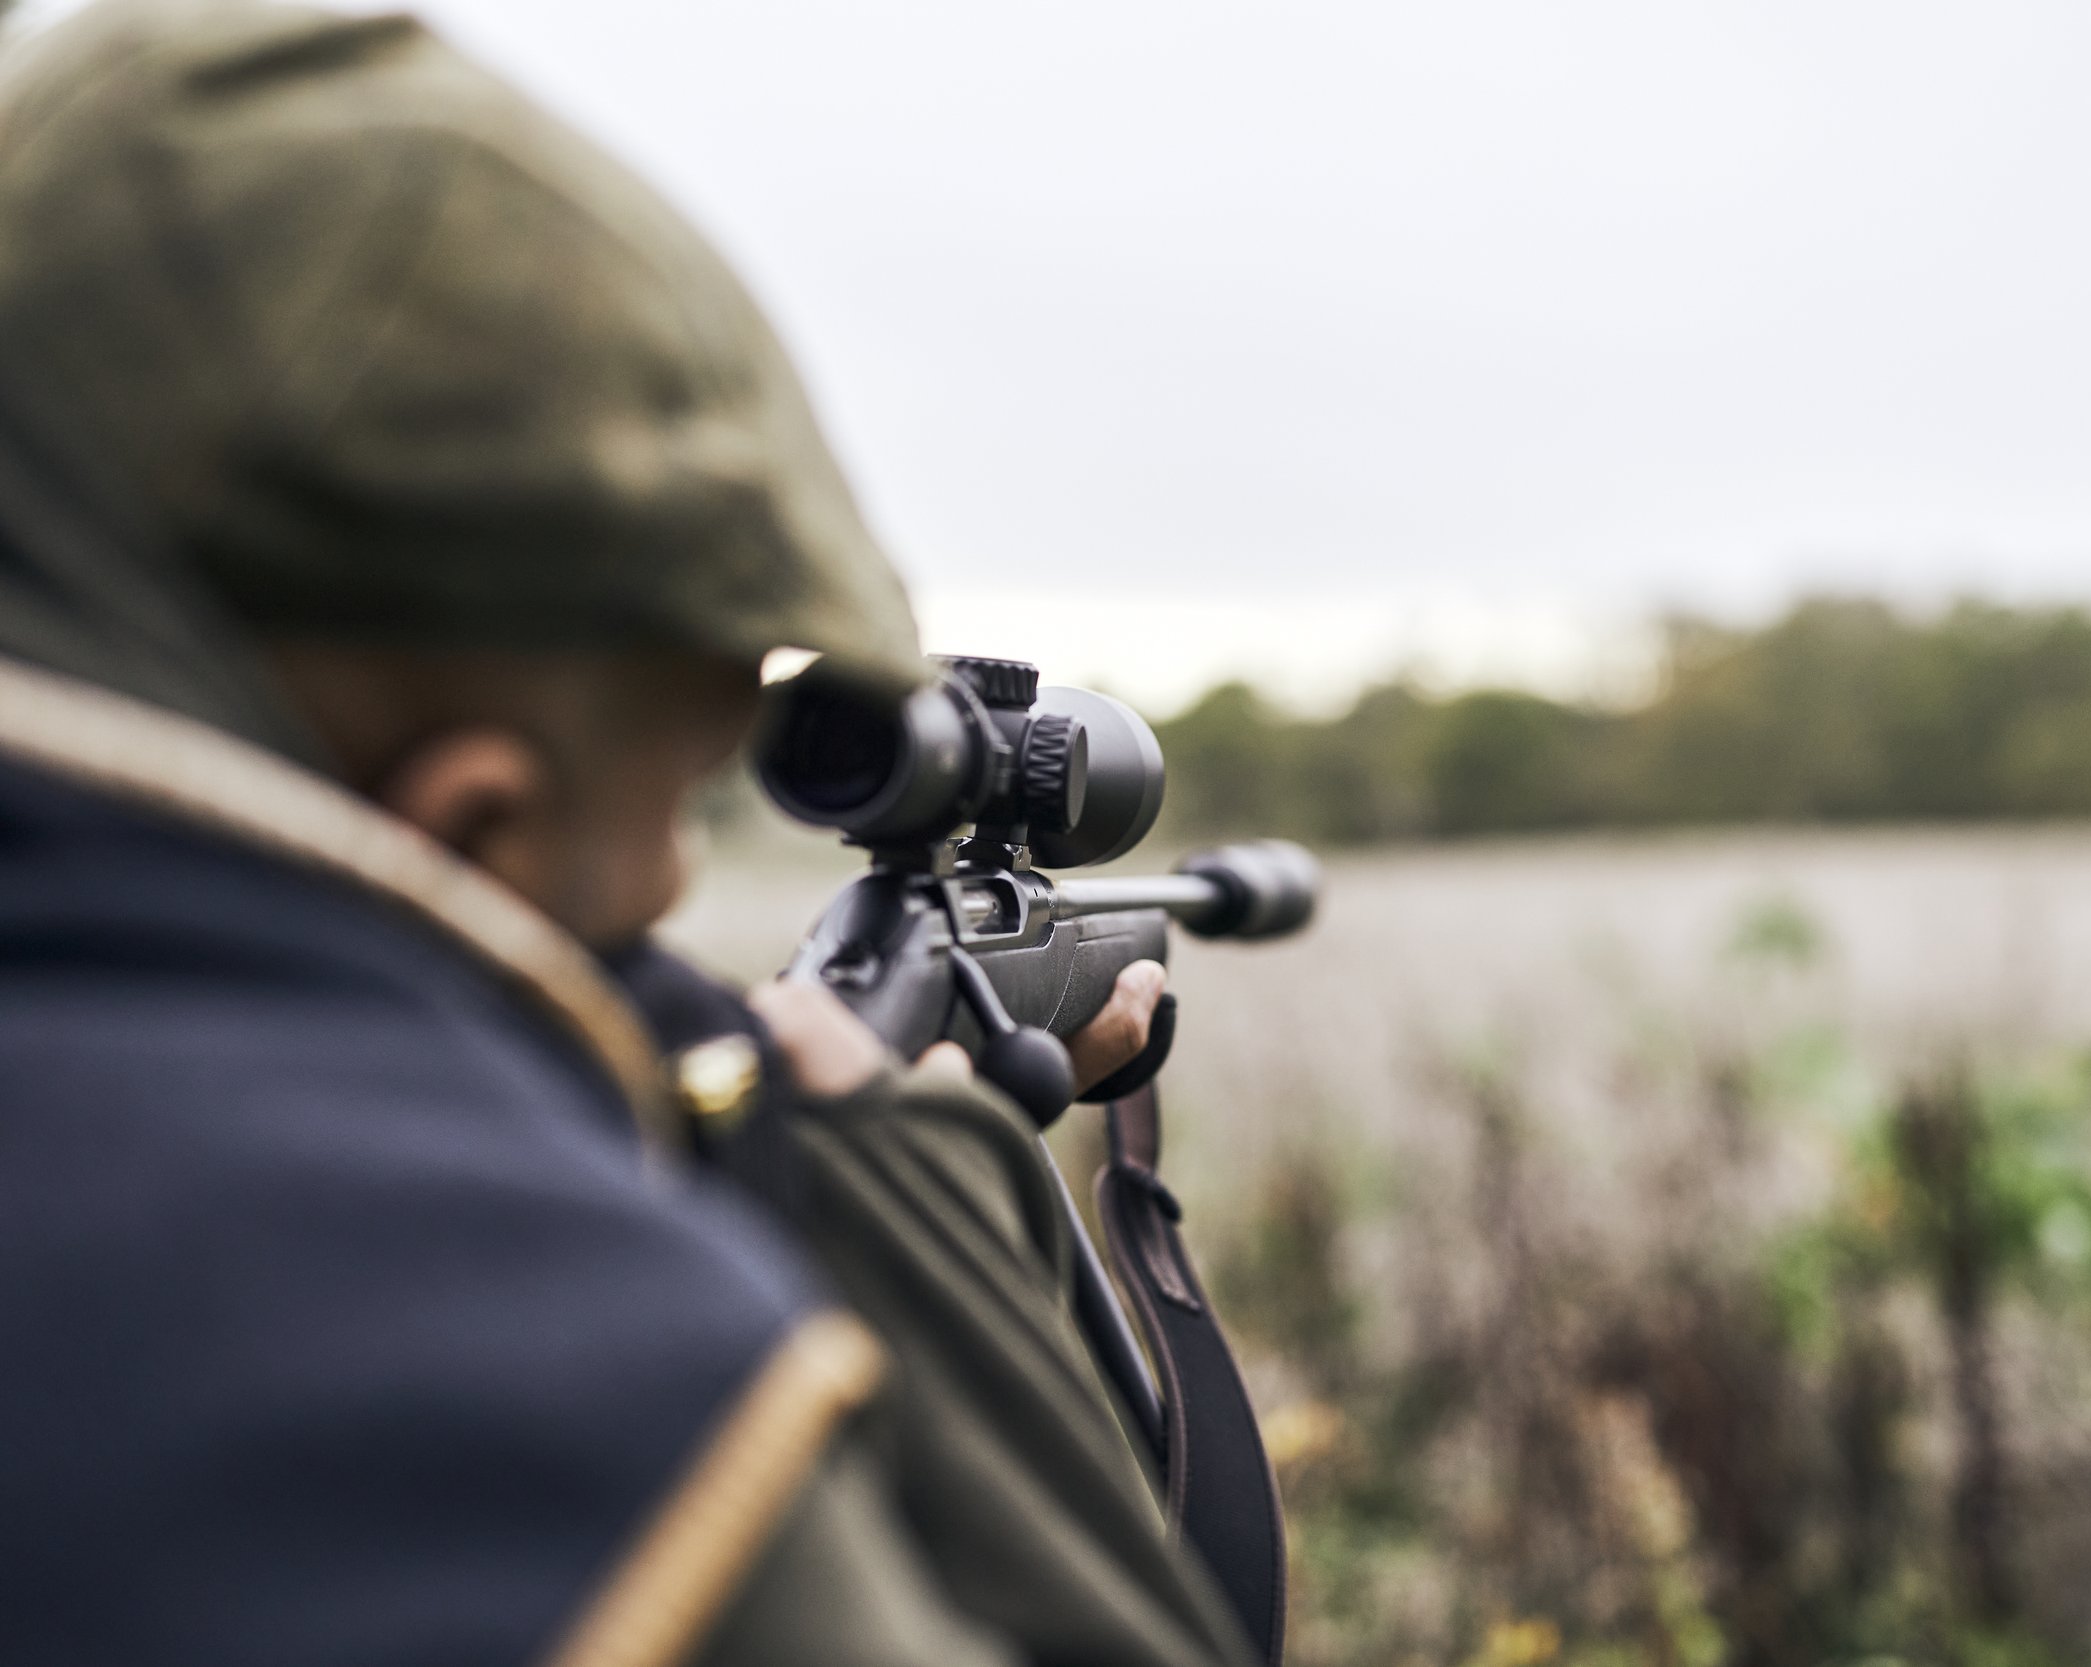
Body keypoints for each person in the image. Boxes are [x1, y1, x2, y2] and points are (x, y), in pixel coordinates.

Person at [0, 3, 1257, 1664]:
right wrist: (909, 1194)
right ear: (469, 823)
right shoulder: (574, 1426)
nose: (669, 908)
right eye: (667, 821)